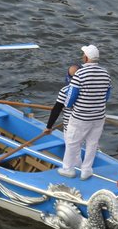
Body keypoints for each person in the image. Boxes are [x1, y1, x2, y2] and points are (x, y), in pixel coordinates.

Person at [46, 44, 111, 180]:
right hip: (99, 116)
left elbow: (71, 97)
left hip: (81, 117)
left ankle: (68, 169)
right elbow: (106, 96)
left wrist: (70, 106)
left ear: (86, 58)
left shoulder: (80, 74)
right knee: (92, 143)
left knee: (72, 142)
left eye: (83, 55)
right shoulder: (105, 73)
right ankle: (86, 170)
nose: (82, 56)